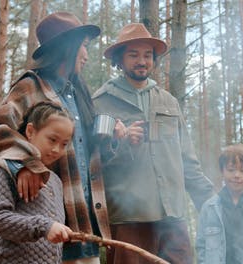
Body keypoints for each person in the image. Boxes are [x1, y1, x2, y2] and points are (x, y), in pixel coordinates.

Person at [0, 12, 124, 264]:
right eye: (83, 46)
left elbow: (90, 157)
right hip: (44, 229)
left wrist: (112, 137)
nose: (86, 55)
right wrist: (23, 164)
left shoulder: (78, 94)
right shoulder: (31, 86)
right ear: (67, 48)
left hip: (83, 220)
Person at [92, 23, 215, 264]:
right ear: (119, 59)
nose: (142, 61)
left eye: (148, 55)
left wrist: (214, 206)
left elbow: (188, 163)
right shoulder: (101, 103)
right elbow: (94, 164)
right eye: (133, 54)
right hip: (128, 222)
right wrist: (123, 143)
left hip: (172, 219)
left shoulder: (168, 102)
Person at [0, 101, 75, 263]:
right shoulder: (9, 170)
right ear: (30, 131)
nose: (57, 150)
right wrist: (44, 226)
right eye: (52, 139)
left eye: (64, 144)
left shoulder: (56, 182)